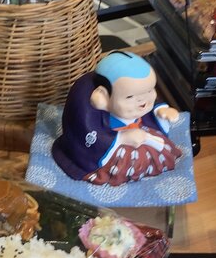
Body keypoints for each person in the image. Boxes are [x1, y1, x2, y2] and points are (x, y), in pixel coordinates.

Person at [52, 51, 182, 186]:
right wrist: (122, 138)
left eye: (150, 90)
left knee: (163, 149)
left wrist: (160, 111)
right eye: (130, 97)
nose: (144, 100)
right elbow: (87, 132)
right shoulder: (88, 107)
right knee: (129, 163)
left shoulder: (140, 100)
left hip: (142, 131)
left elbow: (150, 105)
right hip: (112, 143)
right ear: (102, 97)